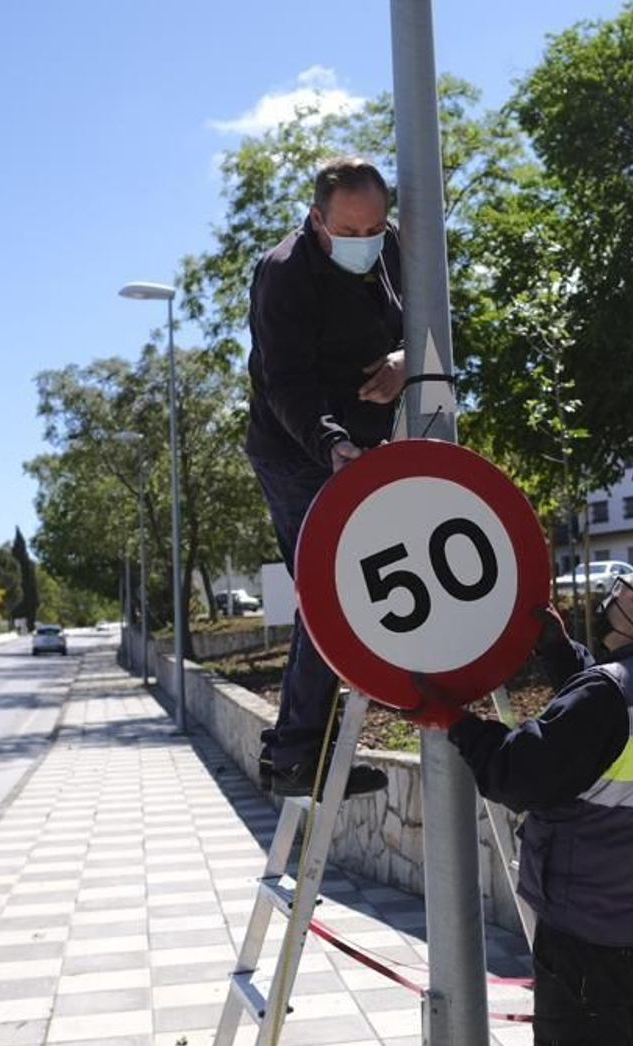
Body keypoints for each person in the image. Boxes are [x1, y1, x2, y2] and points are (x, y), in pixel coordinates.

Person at [447, 554, 633, 1046]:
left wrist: (453, 722)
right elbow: (607, 720)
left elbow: (516, 773)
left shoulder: (608, 693)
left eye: (625, 588)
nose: (612, 593)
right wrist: (558, 652)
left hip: (588, 943)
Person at [246, 156, 406, 798]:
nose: (366, 242)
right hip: (296, 451)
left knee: (349, 586)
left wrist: (405, 360)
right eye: (351, 230)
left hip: (365, 446)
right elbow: (285, 381)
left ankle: (300, 747)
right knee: (330, 586)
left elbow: (434, 325)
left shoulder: (395, 248)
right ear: (316, 220)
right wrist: (331, 442)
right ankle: (293, 755)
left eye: (377, 228)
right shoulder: (283, 275)